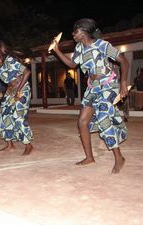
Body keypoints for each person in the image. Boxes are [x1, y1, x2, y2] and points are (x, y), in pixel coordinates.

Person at [53, 18, 129, 173]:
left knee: (103, 119)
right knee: (82, 122)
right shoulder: (80, 48)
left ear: (83, 31)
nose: (73, 34)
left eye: (75, 31)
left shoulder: (102, 45)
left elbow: (124, 62)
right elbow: (72, 64)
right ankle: (89, 157)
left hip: (108, 85)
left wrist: (123, 83)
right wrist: (56, 50)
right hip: (92, 87)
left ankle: (119, 158)